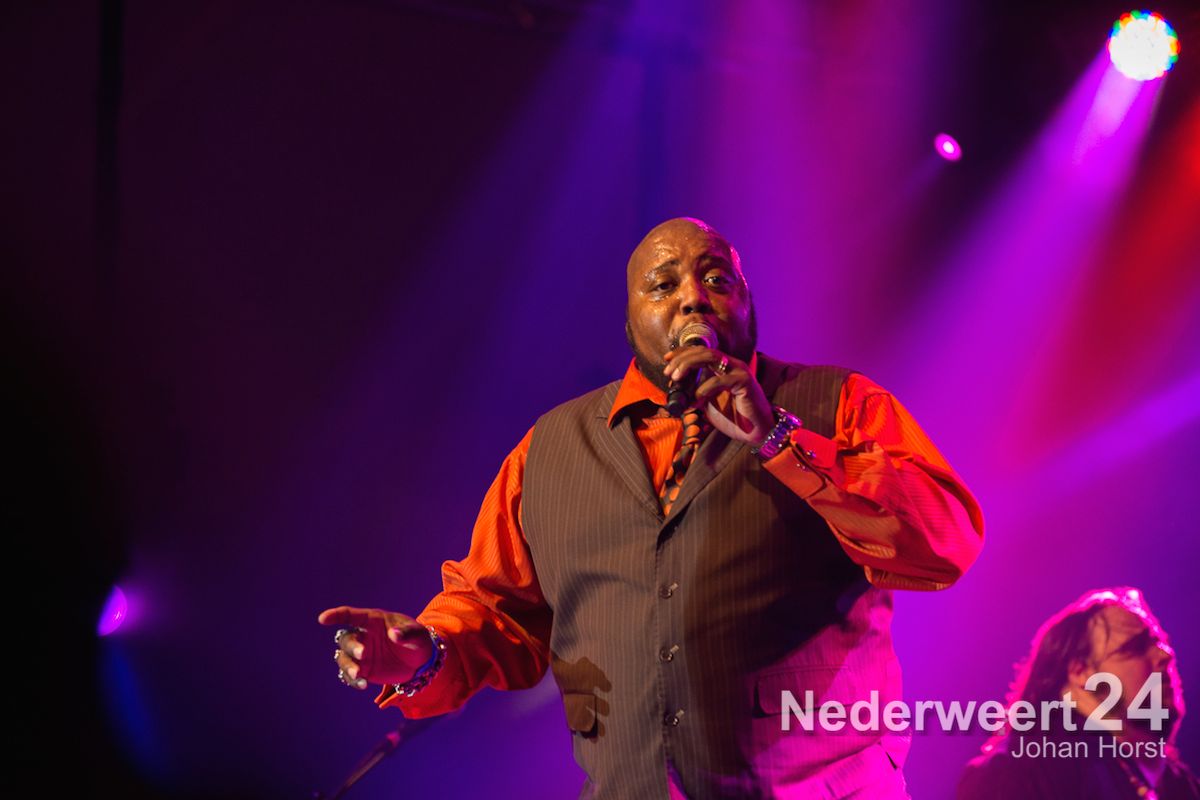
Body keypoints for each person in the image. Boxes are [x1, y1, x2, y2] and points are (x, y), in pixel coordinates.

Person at [320, 217, 985, 799]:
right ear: (630, 318)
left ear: (748, 302)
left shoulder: (837, 404)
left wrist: (779, 439)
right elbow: (492, 611)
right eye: (663, 285)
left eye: (716, 280)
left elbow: (944, 540)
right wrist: (426, 654)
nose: (693, 297)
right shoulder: (549, 449)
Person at [958, 586, 1199, 800]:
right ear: (1080, 672)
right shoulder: (1022, 773)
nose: (1165, 654)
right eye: (1135, 648)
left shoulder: (1181, 785)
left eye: (1158, 641)